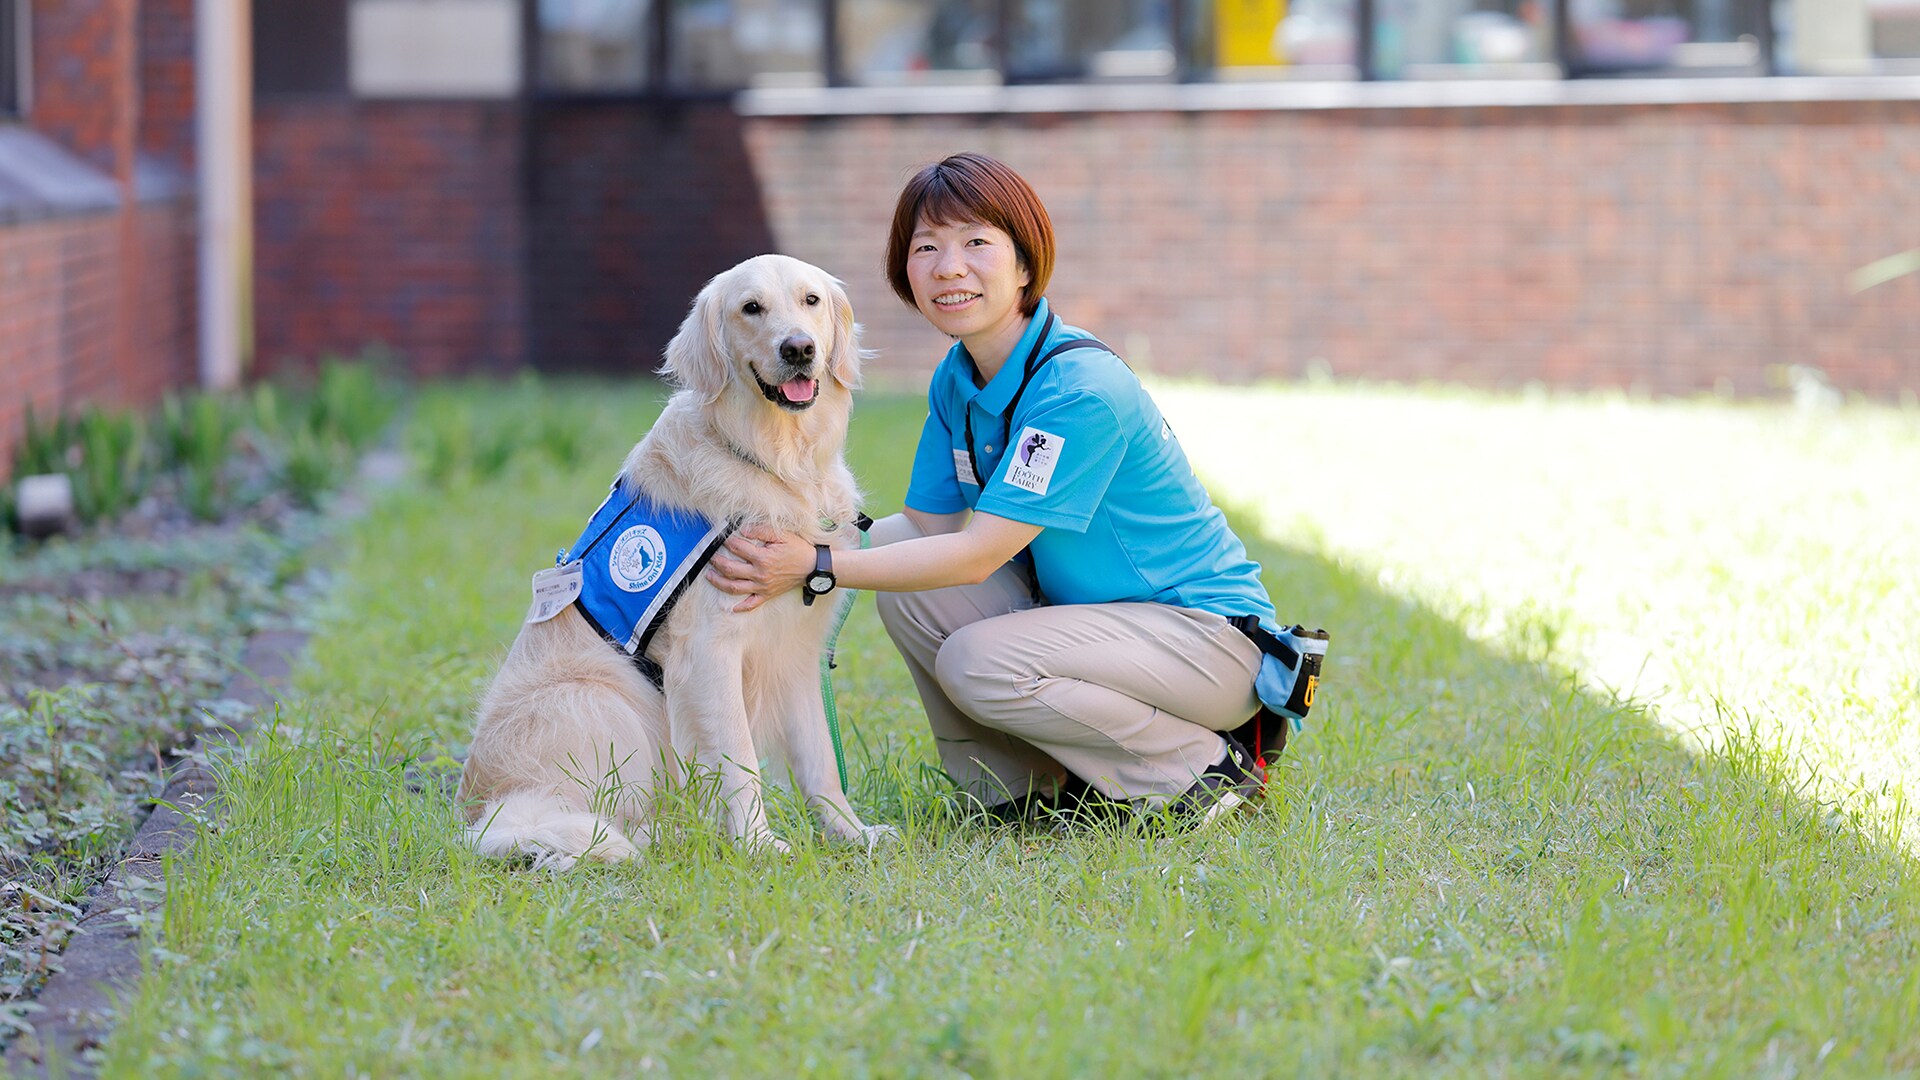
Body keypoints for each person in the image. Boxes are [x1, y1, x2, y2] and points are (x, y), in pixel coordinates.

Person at [706, 151, 1281, 828]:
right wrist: (797, 513)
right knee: (891, 544)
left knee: (977, 659)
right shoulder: (960, 377)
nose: (950, 267)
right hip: (1100, 633)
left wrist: (817, 566)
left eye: (976, 242)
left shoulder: (1079, 391)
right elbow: (923, 526)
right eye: (927, 248)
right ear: (905, 273)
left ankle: (1201, 774)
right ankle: (1015, 791)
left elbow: (977, 555)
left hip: (1209, 644)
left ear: (1026, 265)